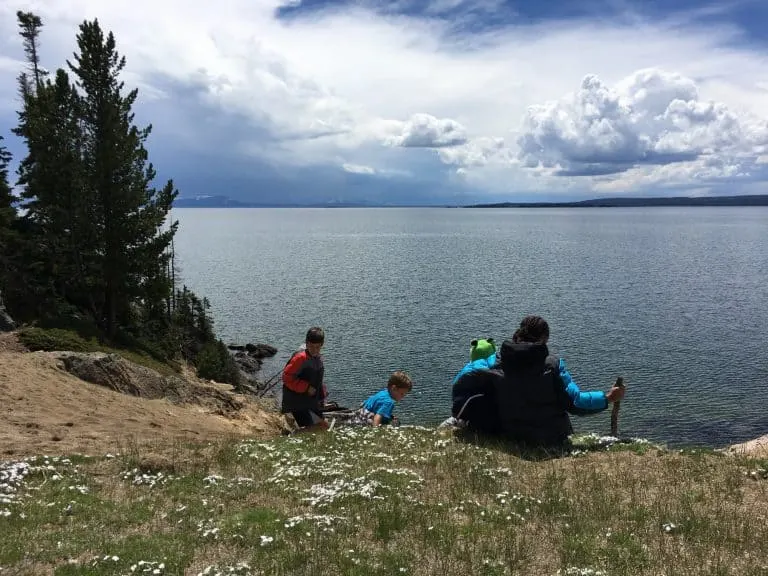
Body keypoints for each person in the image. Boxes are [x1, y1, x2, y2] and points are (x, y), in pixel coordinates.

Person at [494, 315, 625, 447]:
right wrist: (608, 398)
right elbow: (576, 403)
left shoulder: (498, 363)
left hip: (510, 437)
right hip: (550, 439)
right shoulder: (552, 366)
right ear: (544, 339)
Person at [281, 326, 328, 431]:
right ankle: (295, 438)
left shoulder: (318, 358)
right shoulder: (300, 358)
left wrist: (322, 395)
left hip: (311, 401)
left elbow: (317, 380)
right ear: (306, 343)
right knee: (313, 428)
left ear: (322, 345)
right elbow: (286, 378)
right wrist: (306, 387)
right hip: (297, 402)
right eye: (311, 346)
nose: (314, 350)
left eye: (317, 347)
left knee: (324, 425)